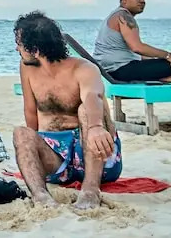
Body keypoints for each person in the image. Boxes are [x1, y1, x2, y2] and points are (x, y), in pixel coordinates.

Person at [13, 11, 122, 210]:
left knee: (84, 110)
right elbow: (30, 111)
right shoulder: (27, 68)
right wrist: (34, 149)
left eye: (19, 43)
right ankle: (41, 197)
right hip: (57, 161)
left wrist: (97, 126)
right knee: (21, 133)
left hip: (97, 154)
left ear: (34, 49)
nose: (16, 48)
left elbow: (93, 97)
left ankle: (90, 190)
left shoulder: (84, 68)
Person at [93, 0, 171, 82]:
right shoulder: (124, 16)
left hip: (109, 69)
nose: (142, 1)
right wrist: (168, 55)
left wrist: (158, 59)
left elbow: (133, 54)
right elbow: (137, 47)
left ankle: (160, 78)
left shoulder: (116, 15)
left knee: (167, 63)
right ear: (124, 0)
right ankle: (160, 78)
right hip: (117, 71)